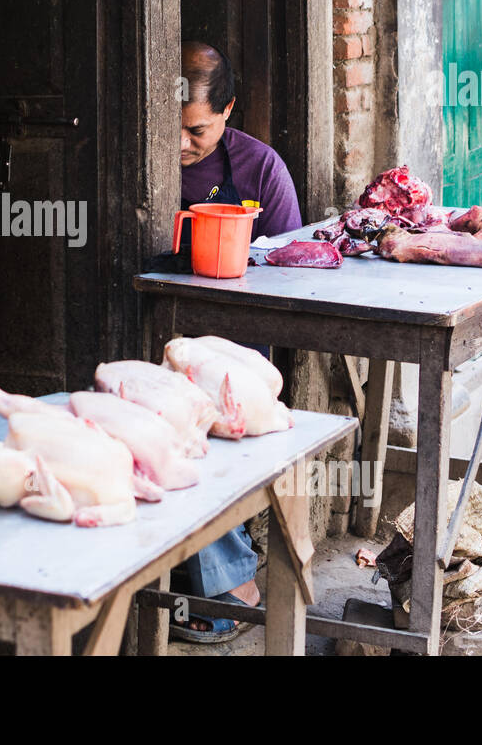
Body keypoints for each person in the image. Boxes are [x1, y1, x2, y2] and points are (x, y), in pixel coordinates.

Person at [169, 40, 303, 643]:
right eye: (169, 127)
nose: (179, 144)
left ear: (227, 112)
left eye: (195, 131)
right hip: (158, 328)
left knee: (196, 410)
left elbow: (295, 267)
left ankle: (230, 586)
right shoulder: (138, 155)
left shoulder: (260, 169)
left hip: (238, 345)